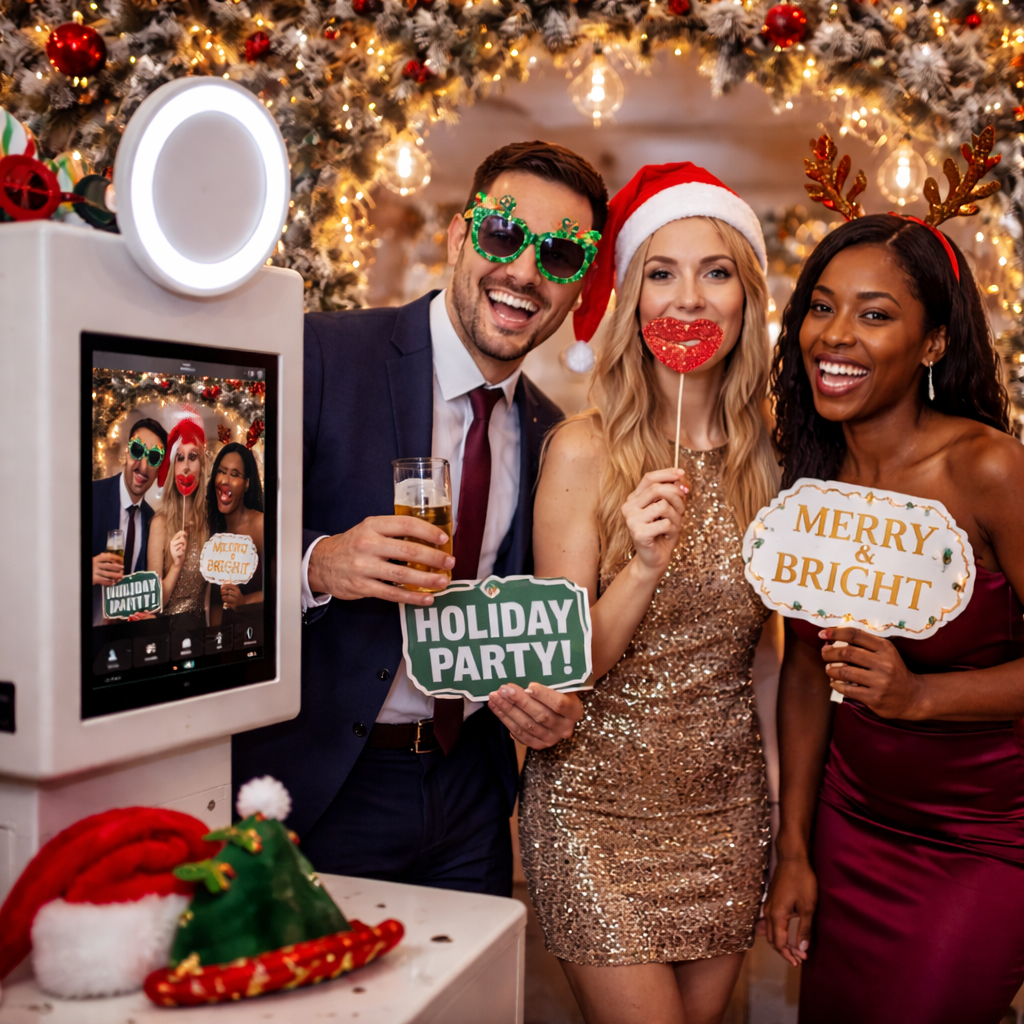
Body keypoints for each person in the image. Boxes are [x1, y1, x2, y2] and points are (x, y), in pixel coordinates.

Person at [232, 141, 609, 895]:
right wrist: (319, 562)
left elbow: (534, 616)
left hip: (470, 791)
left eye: (561, 255)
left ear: (577, 287)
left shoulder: (553, 433)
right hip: (324, 780)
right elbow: (212, 541)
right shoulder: (323, 352)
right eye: (503, 234)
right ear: (460, 235)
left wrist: (547, 702)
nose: (525, 272)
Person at [518, 164, 780, 1024]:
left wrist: (785, 820)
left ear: (746, 299)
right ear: (634, 301)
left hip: (727, 809)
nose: (689, 297)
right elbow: (566, 666)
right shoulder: (582, 451)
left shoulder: (773, 463)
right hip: (594, 809)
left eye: (716, 272)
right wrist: (640, 564)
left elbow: (767, 664)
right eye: (662, 273)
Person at [762, 214, 1024, 1024]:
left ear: (934, 342)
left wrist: (920, 698)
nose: (836, 335)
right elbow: (807, 669)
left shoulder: (987, 469)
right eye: (822, 306)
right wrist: (795, 848)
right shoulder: (810, 477)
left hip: (986, 835)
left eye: (874, 314)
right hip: (851, 823)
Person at [91, 417, 168, 625]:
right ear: (127, 451)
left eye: (154, 457)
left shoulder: (153, 522)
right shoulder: (92, 496)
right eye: (137, 450)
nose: (143, 466)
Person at [148, 409, 210, 630]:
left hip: (202, 635)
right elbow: (155, 605)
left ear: (202, 466)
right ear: (173, 467)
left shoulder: (209, 524)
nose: (185, 467)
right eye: (180, 458)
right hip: (167, 635)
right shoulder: (159, 524)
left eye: (193, 457)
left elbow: (208, 602)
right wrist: (176, 566)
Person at [207, 442, 265, 628]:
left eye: (234, 474)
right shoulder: (216, 532)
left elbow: (282, 588)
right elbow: (216, 601)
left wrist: (244, 601)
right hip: (227, 636)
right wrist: (216, 639)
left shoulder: (260, 525)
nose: (225, 480)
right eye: (221, 471)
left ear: (247, 483)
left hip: (258, 633)